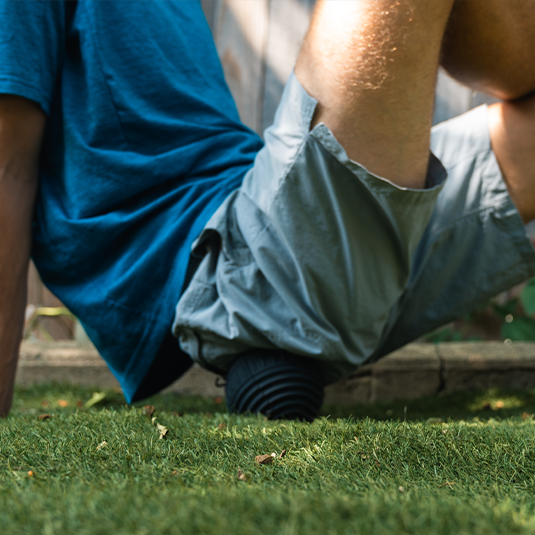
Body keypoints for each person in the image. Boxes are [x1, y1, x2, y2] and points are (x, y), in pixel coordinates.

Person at [1, 1, 535, 420]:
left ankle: (282, 337)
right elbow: (8, 168)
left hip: (294, 232)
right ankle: (266, 325)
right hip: (224, 266)